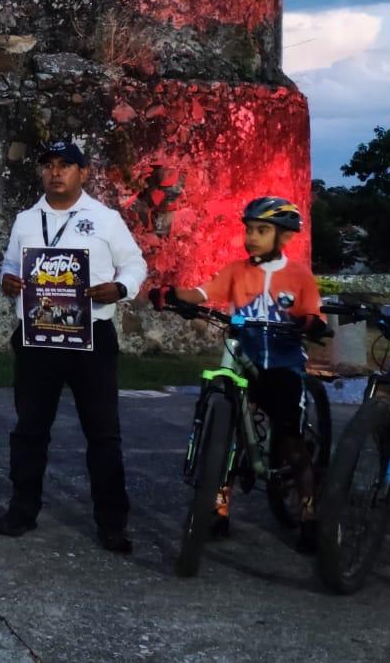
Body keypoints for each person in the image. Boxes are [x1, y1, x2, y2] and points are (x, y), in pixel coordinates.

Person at [0, 139, 146, 554]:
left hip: (91, 337)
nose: (55, 172)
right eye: (49, 165)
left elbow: (135, 263)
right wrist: (7, 279)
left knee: (102, 434)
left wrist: (119, 288)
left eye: (65, 165)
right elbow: (10, 264)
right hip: (37, 336)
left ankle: (112, 523)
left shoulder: (105, 218)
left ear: (83, 172)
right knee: (29, 430)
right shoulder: (26, 219)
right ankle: (22, 510)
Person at [150, 196, 327, 551]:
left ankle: (309, 510)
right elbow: (204, 292)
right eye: (248, 230)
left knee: (290, 436)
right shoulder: (236, 271)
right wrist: (171, 294)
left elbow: (313, 315)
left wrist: (309, 323)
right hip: (244, 357)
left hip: (281, 363)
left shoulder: (298, 276)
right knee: (226, 434)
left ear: (285, 237)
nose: (251, 237)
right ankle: (218, 506)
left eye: (262, 230)